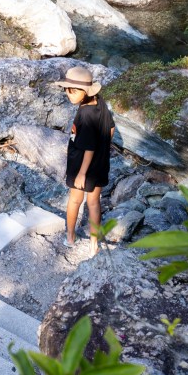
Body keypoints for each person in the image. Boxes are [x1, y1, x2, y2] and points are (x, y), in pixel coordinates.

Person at [55, 66, 115, 256]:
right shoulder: (99, 103)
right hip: (100, 164)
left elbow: (89, 147)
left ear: (84, 91)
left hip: (81, 164)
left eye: (72, 91)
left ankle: (70, 237)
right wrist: (104, 148)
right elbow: (111, 128)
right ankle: (93, 245)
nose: (68, 94)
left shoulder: (86, 114)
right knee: (94, 202)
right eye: (66, 90)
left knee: (75, 200)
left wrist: (81, 173)